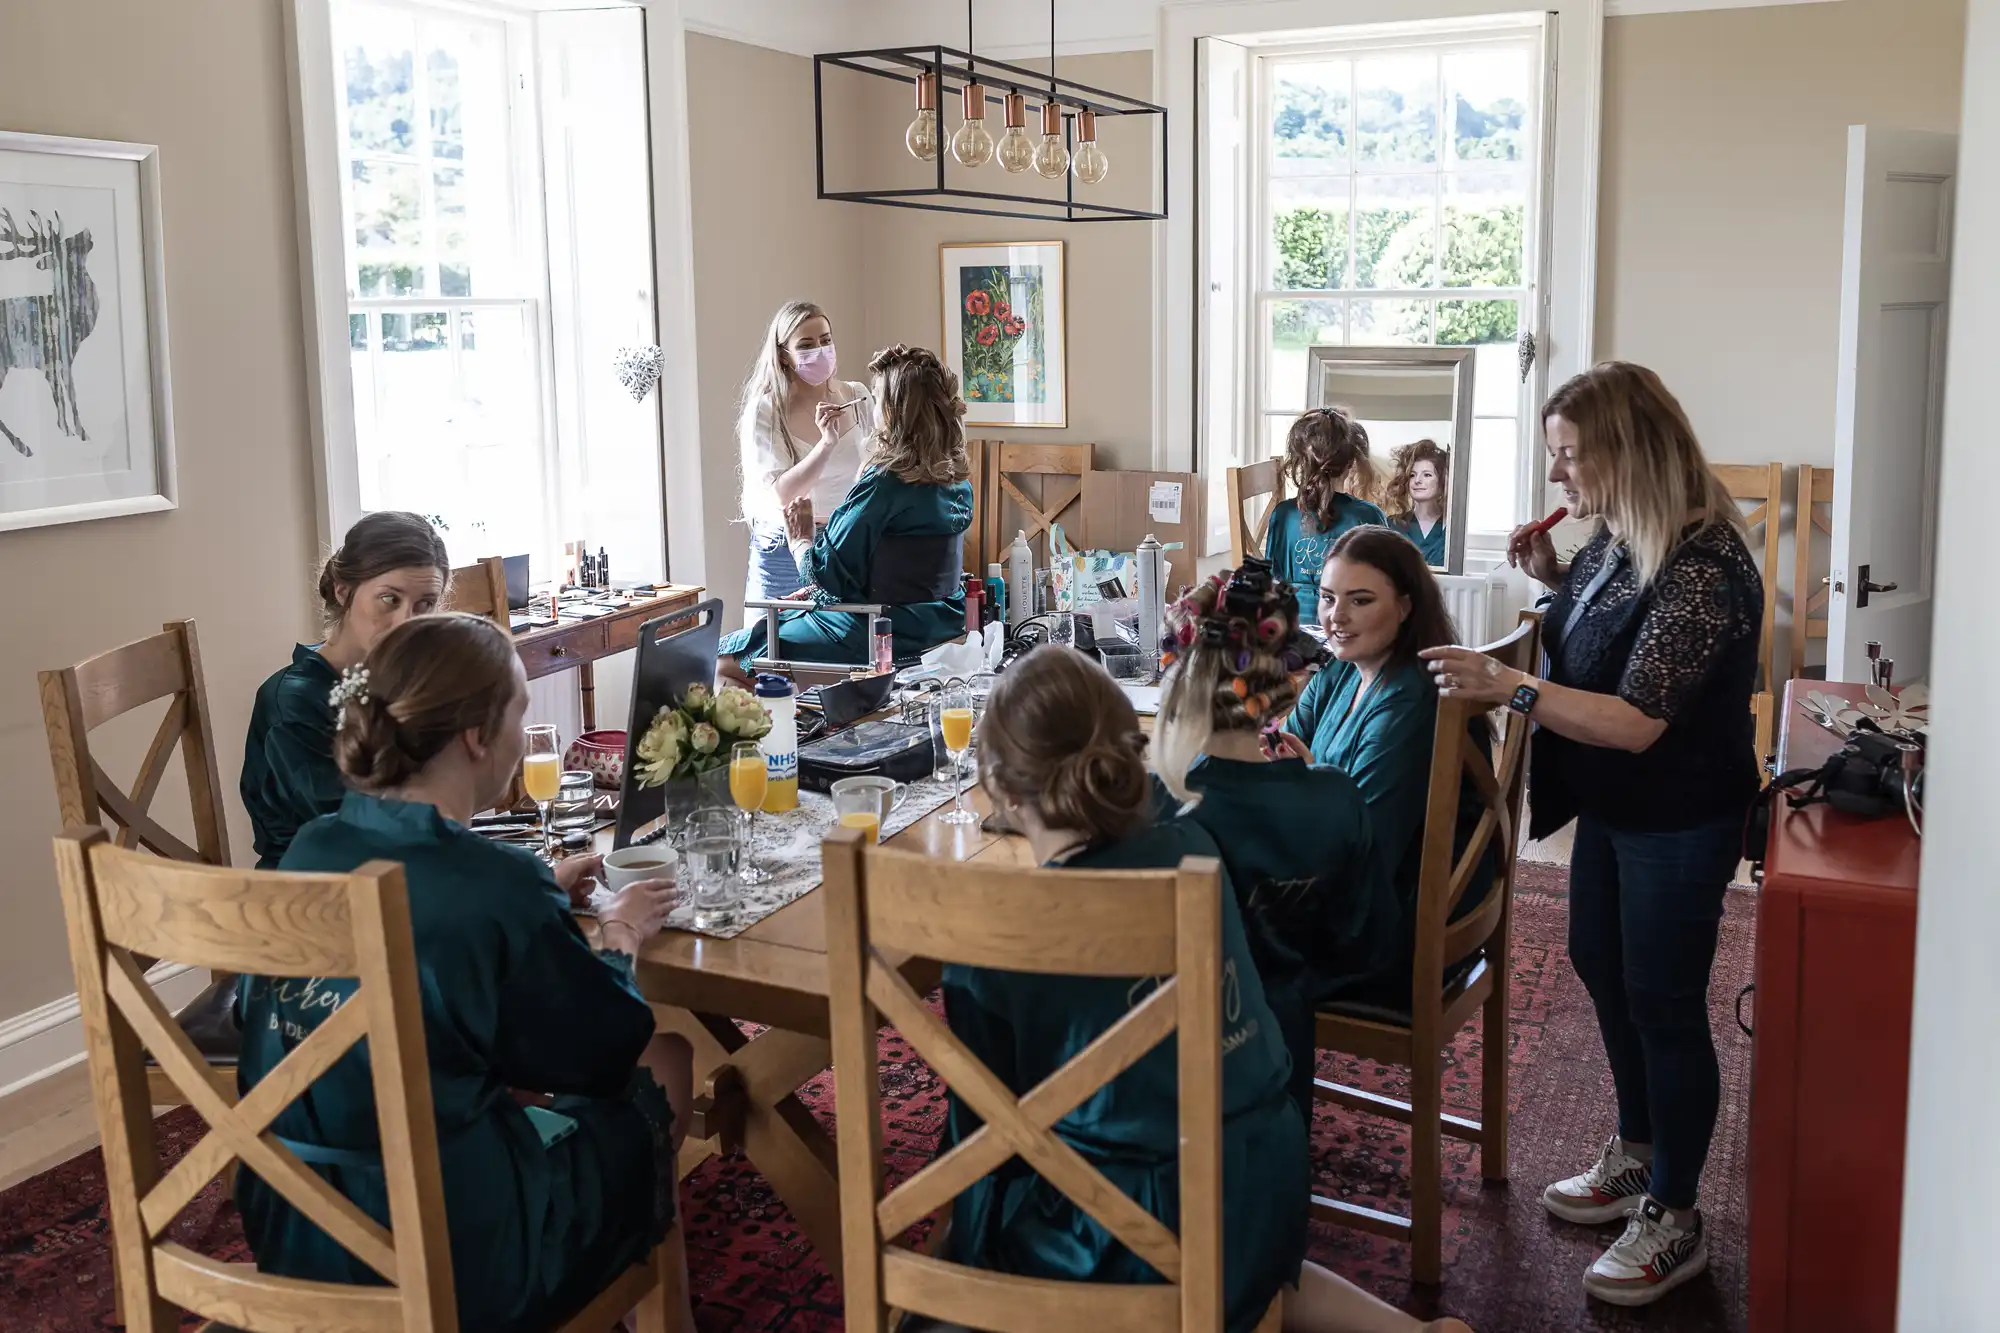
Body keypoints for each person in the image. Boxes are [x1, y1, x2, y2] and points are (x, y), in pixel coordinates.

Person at [951, 646, 1473, 1333]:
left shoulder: (1007, 934)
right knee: (1228, 1247)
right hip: (1269, 1183)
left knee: (1011, 1213)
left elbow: (978, 1143)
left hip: (1134, 1231)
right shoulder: (1190, 838)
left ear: (1001, 790)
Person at [243, 613, 695, 1333]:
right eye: (520, 710)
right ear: (478, 737)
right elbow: (603, 1054)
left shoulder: (309, 848)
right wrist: (620, 930)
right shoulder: (494, 883)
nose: (521, 733)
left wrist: (536, 885)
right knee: (664, 1059)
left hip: (297, 1227)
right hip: (458, 1260)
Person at [1421, 363, 1761, 1309]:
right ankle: (1640, 1149)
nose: (1561, 477)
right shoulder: (1620, 534)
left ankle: (1678, 1214)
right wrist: (1554, 579)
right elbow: (1613, 623)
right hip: (1620, 805)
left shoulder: (1704, 565)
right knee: (1600, 962)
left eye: (1572, 456)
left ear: (1629, 448)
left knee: (1663, 996)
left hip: (1681, 812)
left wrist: (1510, 687)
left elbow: (1636, 716)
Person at [1152, 557, 1398, 1115]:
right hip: (1278, 1071)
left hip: (1155, 1071)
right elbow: (1369, 944)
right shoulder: (1336, 798)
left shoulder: (1156, 804)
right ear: (1290, 683)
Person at [1277, 527, 1493, 952]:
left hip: (1389, 920)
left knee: (1216, 940)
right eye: (1327, 597)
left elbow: (1368, 846)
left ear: (1405, 607)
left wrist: (1300, 784)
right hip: (1348, 879)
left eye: (1360, 600)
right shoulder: (1339, 670)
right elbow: (1279, 754)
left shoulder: (1409, 700)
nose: (1335, 616)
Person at [720, 344, 972, 674]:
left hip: (876, 634)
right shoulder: (957, 481)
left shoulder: (884, 485)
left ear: (894, 412)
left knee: (726, 660)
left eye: (878, 400)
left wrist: (800, 538)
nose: (874, 410)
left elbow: (821, 580)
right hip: (939, 625)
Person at [243, 510, 451, 870]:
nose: (407, 622)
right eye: (390, 599)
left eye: (425, 604)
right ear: (343, 590)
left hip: (408, 866)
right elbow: (358, 834)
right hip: (312, 894)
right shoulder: (292, 701)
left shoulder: (403, 681)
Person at [737, 300, 876, 611]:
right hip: (783, 550)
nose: (821, 351)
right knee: (769, 650)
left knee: (836, 651)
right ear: (784, 355)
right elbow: (783, 493)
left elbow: (875, 469)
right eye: (807, 345)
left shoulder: (858, 397)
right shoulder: (767, 410)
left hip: (844, 545)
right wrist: (827, 444)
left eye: (826, 340)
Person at [1264, 406, 1386, 621]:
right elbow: (1382, 583)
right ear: (1350, 465)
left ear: (1301, 462)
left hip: (1290, 630)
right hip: (1347, 627)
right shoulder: (1368, 516)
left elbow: (1272, 579)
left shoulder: (1282, 514)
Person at [1384, 440, 1450, 567]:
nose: (1417, 481)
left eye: (1427, 475)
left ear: (1442, 481)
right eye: (1412, 475)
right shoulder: (1392, 525)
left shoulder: (1451, 531)